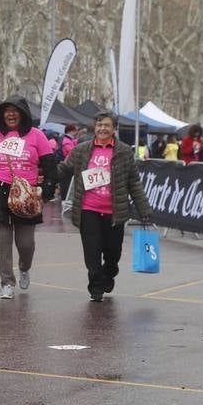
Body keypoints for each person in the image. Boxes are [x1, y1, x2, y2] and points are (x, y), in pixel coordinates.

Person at [55, 111, 154, 302]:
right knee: (92, 252)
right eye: (99, 125)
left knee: (112, 253)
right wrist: (44, 173)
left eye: (106, 125)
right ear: (95, 127)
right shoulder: (82, 150)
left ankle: (109, 273)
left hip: (114, 212)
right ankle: (96, 288)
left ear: (113, 128)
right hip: (88, 209)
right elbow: (64, 169)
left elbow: (134, 182)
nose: (102, 128)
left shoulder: (124, 152)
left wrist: (144, 209)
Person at [0, 97, 56, 301]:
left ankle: (25, 268)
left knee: (25, 243)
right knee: (2, 243)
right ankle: (7, 282)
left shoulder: (37, 136)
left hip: (26, 194)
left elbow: (51, 166)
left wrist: (45, 192)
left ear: (23, 113)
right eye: (6, 110)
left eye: (15, 110)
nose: (10, 114)